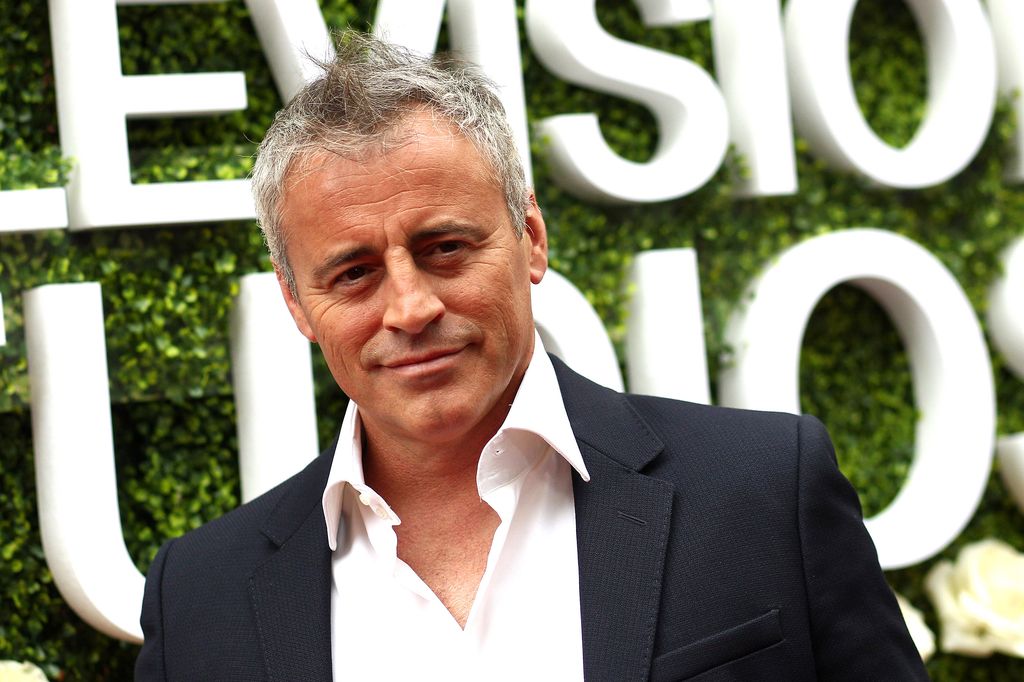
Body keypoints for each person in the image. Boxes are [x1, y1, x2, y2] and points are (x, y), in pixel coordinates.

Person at [135, 32, 929, 681]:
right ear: (297, 304)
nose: (410, 308)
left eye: (445, 247)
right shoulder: (199, 599)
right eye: (353, 273)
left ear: (532, 238)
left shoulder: (762, 490)